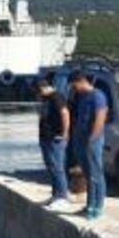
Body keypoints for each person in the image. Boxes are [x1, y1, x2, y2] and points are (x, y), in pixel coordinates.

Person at [69, 70, 109, 220]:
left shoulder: (97, 96)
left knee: (95, 174)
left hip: (92, 141)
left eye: (74, 86)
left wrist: (93, 139)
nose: (74, 89)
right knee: (87, 175)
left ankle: (97, 207)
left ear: (81, 81)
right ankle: (89, 205)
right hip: (80, 139)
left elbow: (100, 117)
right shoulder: (83, 97)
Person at [35, 75, 73, 212]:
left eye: (38, 92)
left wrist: (65, 132)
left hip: (55, 138)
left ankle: (63, 196)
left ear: (43, 88)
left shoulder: (56, 97)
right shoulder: (47, 98)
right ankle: (56, 195)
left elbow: (65, 113)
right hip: (46, 137)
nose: (38, 95)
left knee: (58, 167)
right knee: (51, 166)